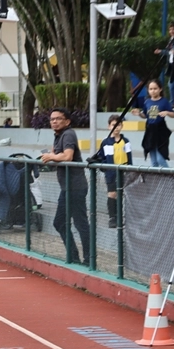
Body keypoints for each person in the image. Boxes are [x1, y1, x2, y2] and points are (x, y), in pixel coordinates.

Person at [40, 109, 90, 265]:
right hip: (67, 187)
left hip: (75, 186)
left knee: (79, 223)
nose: (54, 121)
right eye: (52, 119)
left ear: (67, 121)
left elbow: (67, 156)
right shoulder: (58, 136)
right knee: (60, 222)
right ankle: (74, 256)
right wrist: (52, 156)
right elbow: (58, 156)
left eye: (58, 119)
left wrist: (51, 156)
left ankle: (89, 258)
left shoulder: (68, 134)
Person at [94, 115, 133, 228]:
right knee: (112, 194)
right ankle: (112, 217)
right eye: (113, 125)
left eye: (118, 125)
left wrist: (130, 170)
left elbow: (129, 157)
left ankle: (120, 217)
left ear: (122, 126)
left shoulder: (126, 141)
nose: (116, 128)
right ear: (109, 126)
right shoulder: (106, 142)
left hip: (124, 172)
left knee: (120, 194)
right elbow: (101, 157)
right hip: (111, 173)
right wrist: (104, 168)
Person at [133, 79, 173, 168]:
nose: (153, 91)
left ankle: (171, 176)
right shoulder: (147, 102)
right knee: (153, 161)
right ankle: (155, 180)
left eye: (155, 88)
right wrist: (139, 114)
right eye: (150, 89)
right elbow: (145, 115)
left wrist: (167, 112)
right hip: (150, 131)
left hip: (160, 131)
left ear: (160, 89)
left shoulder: (164, 101)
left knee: (160, 159)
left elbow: (173, 114)